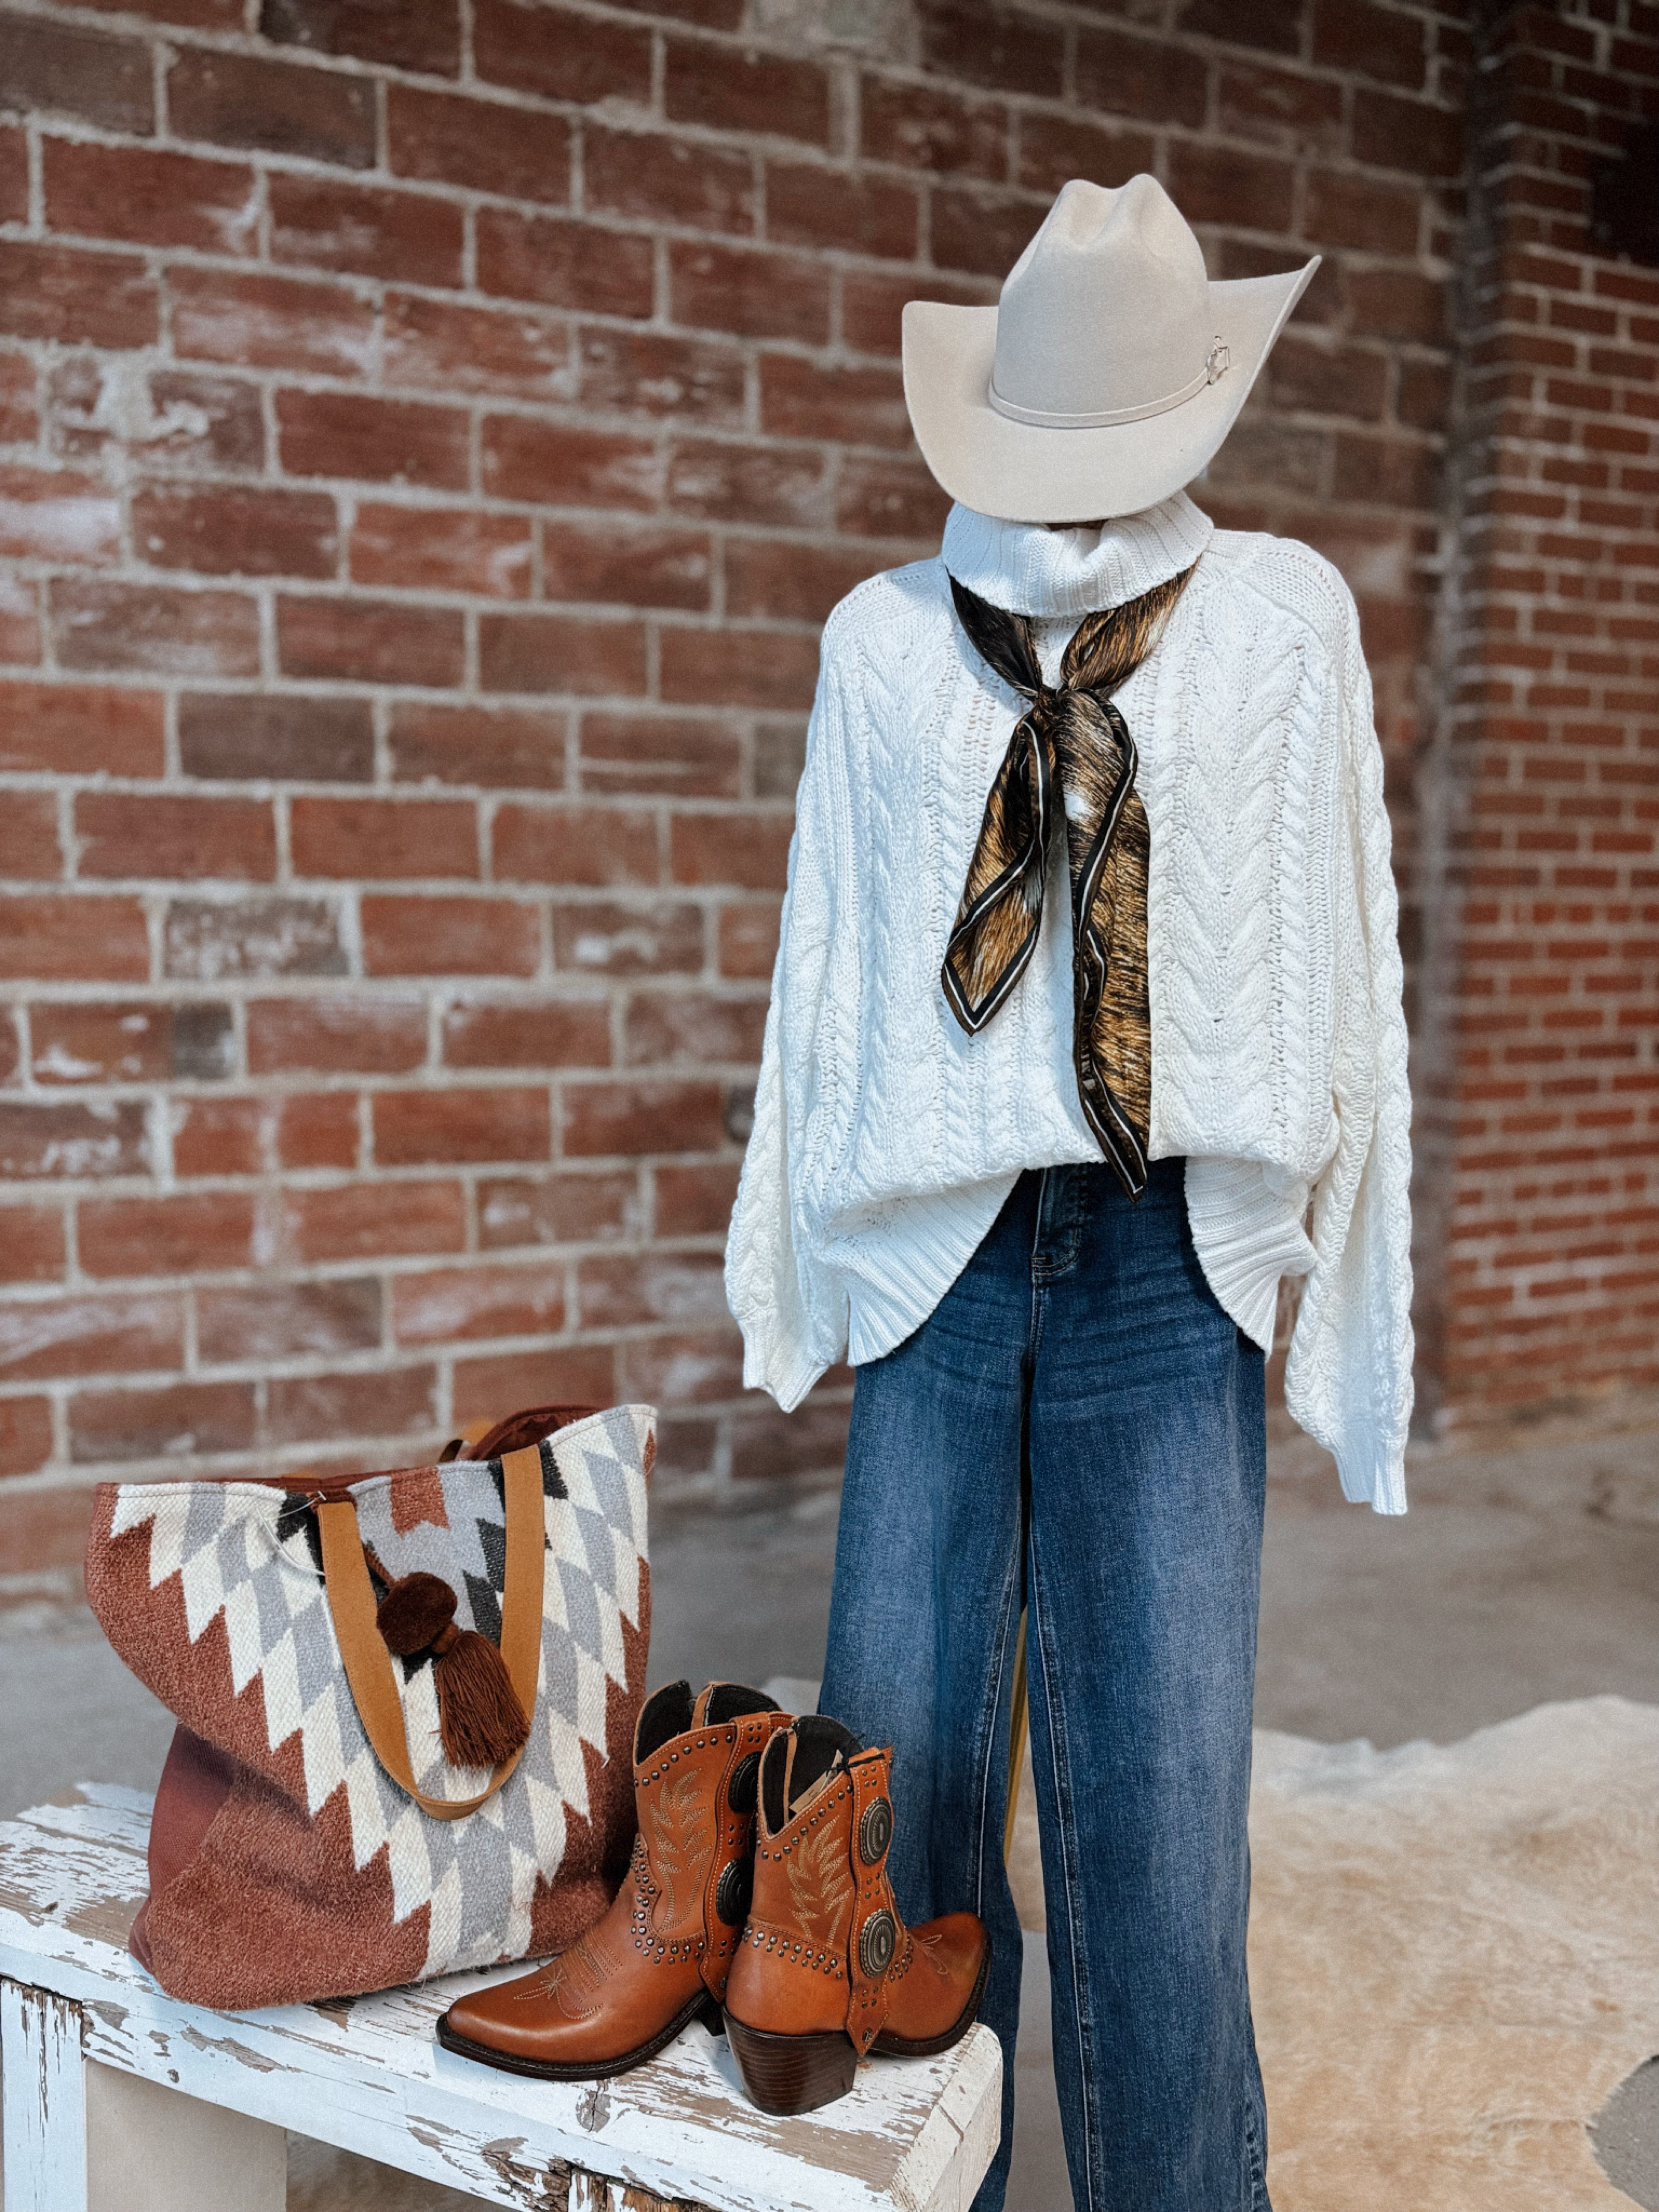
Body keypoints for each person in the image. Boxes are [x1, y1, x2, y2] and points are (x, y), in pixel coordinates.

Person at [725, 173, 1413, 2212]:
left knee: (1162, 1847)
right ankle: (910, 2186)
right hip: (939, 1275)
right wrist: (804, 1276)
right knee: (897, 1828)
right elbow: (823, 978)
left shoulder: (1286, 623)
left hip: (1167, 1265)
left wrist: (1339, 1302)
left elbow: (1344, 966)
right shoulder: (876, 648)